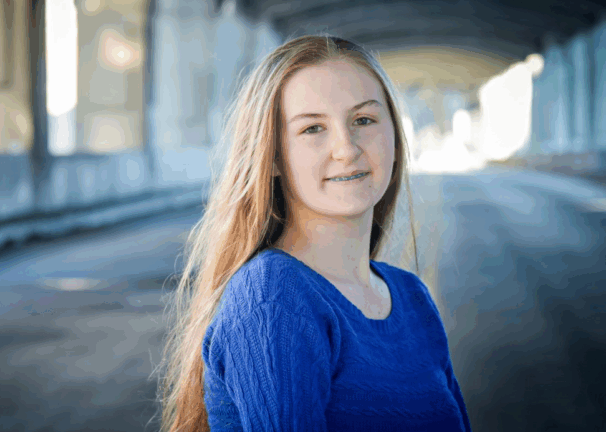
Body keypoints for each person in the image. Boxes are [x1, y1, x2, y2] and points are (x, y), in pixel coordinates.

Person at [155, 35, 472, 432]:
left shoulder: (412, 297)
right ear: (272, 157)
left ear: (394, 134)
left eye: (363, 120)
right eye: (313, 128)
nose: (346, 149)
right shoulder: (273, 296)